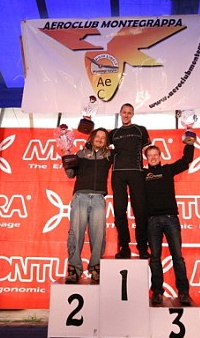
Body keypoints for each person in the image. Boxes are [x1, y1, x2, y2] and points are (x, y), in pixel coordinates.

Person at [144, 137, 195, 306]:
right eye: (150, 155)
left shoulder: (167, 170)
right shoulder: (142, 174)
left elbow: (186, 161)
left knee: (177, 256)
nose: (153, 158)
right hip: (152, 220)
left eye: (155, 155)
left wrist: (189, 143)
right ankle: (157, 292)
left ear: (160, 156)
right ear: (146, 158)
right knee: (155, 257)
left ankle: (184, 293)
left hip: (170, 218)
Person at [63, 127, 113, 283]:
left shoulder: (109, 155)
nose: (99, 139)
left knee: (98, 235)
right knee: (75, 233)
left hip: (98, 198)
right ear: (91, 137)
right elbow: (71, 174)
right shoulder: (80, 154)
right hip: (80, 197)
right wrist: (66, 156)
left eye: (103, 137)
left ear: (106, 141)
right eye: (97, 136)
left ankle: (96, 268)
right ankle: (74, 269)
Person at [110, 103, 151, 259]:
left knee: (140, 211)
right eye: (124, 112)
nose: (126, 115)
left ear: (132, 114)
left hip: (136, 173)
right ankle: (124, 248)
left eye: (129, 113)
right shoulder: (113, 133)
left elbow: (147, 150)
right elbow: (100, 146)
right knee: (119, 212)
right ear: (120, 113)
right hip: (118, 174)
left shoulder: (140, 130)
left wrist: (154, 165)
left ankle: (142, 248)